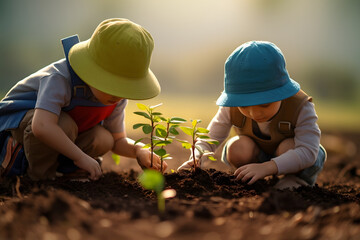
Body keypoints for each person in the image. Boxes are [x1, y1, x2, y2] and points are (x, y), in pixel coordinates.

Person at [0, 18, 166, 181]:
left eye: (125, 86)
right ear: (92, 71)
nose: (119, 94)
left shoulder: (117, 98)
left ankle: (65, 171)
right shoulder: (60, 78)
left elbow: (117, 141)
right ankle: (36, 177)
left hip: (62, 131)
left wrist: (139, 150)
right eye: (113, 84)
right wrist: (80, 157)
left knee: (103, 138)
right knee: (63, 124)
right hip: (15, 126)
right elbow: (42, 126)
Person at [178, 41, 326, 189]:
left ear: (282, 92)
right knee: (237, 147)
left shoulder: (300, 106)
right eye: (244, 105)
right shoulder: (231, 106)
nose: (254, 113)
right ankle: (248, 177)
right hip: (257, 155)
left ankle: (296, 180)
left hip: (293, 157)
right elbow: (210, 137)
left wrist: (268, 167)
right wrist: (196, 157)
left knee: (289, 146)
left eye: (265, 104)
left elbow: (308, 151)